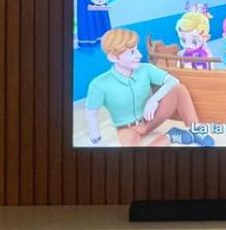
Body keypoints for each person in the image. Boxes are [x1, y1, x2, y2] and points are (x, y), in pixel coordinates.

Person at [84, 28, 214, 146]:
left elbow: (173, 81)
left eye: (137, 50)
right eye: (132, 52)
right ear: (113, 57)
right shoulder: (99, 84)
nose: (139, 55)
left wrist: (154, 100)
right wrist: (96, 141)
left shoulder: (145, 69)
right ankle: (170, 136)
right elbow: (91, 113)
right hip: (127, 128)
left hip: (150, 119)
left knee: (178, 89)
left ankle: (196, 130)